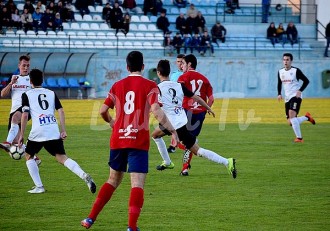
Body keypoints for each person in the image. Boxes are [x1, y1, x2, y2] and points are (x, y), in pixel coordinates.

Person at [81, 51, 178, 231]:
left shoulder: (117, 85)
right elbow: (156, 110)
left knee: (112, 180)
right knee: (137, 184)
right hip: (138, 140)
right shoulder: (150, 86)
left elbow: (103, 110)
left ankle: (90, 218)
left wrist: (112, 123)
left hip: (118, 138)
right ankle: (132, 227)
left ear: (127, 67)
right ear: (142, 67)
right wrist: (172, 130)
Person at [153, 59, 236, 179]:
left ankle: (167, 162)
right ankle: (227, 162)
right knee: (197, 150)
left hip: (171, 123)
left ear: (158, 73)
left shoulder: (158, 88)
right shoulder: (178, 86)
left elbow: (156, 106)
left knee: (155, 136)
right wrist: (208, 108)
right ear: (169, 72)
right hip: (182, 121)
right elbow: (196, 98)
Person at [17, 68, 96, 194]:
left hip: (38, 131)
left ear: (30, 81)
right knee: (62, 158)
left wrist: (21, 134)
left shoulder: (27, 94)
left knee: (28, 156)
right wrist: (63, 130)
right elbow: (61, 110)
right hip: (52, 129)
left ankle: (39, 187)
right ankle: (84, 176)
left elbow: (25, 115)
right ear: (42, 80)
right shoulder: (51, 93)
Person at [177, 54, 215, 175]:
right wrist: (207, 108)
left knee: (179, 140)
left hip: (186, 111)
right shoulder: (205, 79)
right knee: (190, 141)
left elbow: (179, 92)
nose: (182, 65)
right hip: (200, 114)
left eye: (183, 63)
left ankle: (194, 153)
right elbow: (212, 98)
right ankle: (185, 168)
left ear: (189, 64)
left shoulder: (183, 77)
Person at [0, 55, 40, 165]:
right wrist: (11, 83)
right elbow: (3, 94)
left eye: (28, 66)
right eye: (24, 65)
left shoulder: (31, 79)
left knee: (15, 118)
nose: (26, 68)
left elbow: (38, 94)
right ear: (19, 66)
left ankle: (7, 142)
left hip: (26, 109)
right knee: (17, 141)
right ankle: (35, 158)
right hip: (14, 110)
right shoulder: (13, 78)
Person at [277, 53, 316, 143]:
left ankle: (299, 138)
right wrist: (279, 93)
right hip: (287, 98)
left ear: (291, 61)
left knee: (291, 115)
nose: (285, 61)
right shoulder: (280, 72)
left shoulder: (296, 71)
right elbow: (279, 83)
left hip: (295, 96)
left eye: (287, 60)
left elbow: (306, 81)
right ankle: (307, 117)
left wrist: (300, 90)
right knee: (291, 122)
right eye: (284, 60)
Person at [167, 54, 185, 153]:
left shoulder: (188, 74)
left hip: (184, 102)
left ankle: (174, 145)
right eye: (178, 62)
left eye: (182, 62)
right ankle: (174, 144)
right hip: (174, 102)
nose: (180, 64)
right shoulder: (174, 74)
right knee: (174, 123)